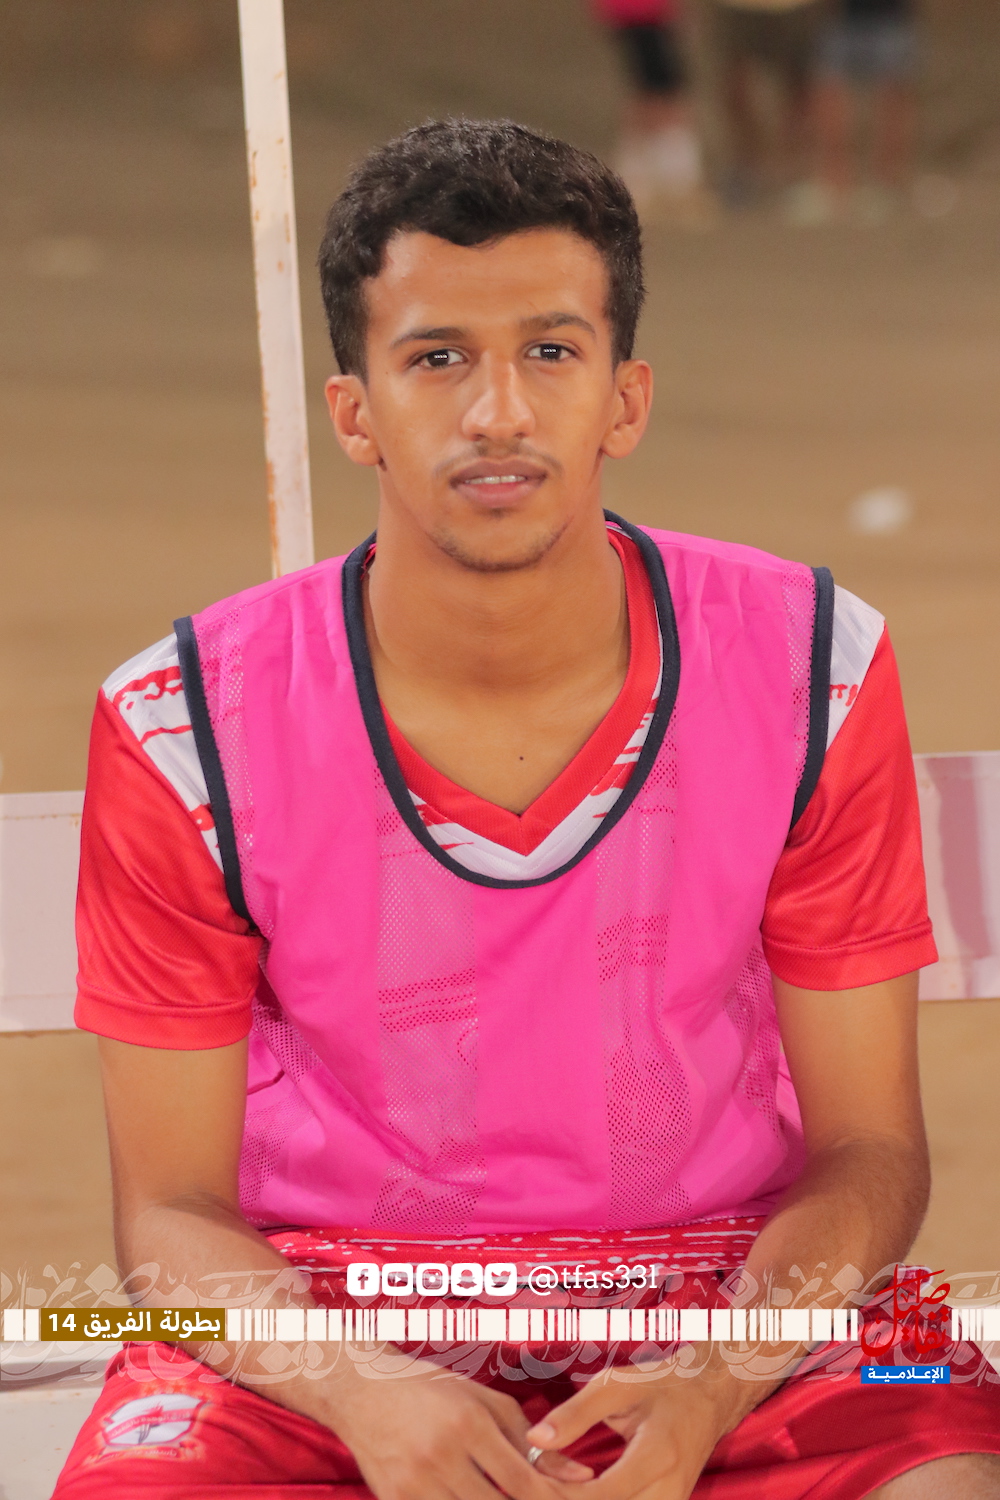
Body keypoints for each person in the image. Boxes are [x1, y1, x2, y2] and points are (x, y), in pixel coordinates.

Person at [54, 119, 1000, 1498]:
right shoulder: (182, 721)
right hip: (324, 1319)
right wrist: (364, 1394)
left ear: (625, 398)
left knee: (943, 1457)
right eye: (438, 359)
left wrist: (718, 1376)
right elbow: (170, 1217)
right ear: (355, 412)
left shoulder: (811, 664)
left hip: (740, 1302)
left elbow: (870, 1152)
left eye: (550, 352)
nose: (496, 412)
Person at [590, 0, 710, 222]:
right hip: (644, 14)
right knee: (661, 95)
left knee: (652, 92)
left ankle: (651, 180)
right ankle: (672, 183)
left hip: (637, 15)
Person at [812, 0, 919, 222]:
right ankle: (835, 186)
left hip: (892, 17)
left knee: (893, 94)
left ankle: (887, 184)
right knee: (830, 93)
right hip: (841, 17)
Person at [711, 0, 825, 203]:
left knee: (798, 92)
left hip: (793, 8)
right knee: (735, 88)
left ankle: (794, 175)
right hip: (738, 8)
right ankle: (747, 170)